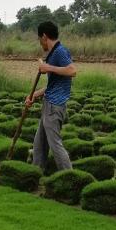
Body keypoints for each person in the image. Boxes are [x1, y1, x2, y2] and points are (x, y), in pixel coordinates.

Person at [26, 20, 77, 171]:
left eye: (39, 39)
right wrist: (35, 94)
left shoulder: (60, 51)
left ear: (44, 36)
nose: (40, 43)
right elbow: (53, 84)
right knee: (39, 144)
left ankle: (70, 177)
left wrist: (48, 67)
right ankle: (36, 174)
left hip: (54, 107)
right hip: (50, 104)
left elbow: (72, 71)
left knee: (55, 145)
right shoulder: (54, 53)